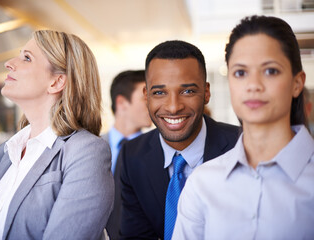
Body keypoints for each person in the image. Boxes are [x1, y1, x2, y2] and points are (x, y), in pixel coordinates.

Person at [0, 30, 114, 240]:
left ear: (56, 82)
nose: (9, 63)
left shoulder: (86, 151)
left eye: (26, 58)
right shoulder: (6, 152)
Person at [173, 15, 314, 240]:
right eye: (240, 73)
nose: (253, 85)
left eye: (270, 71)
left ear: (297, 83)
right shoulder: (203, 183)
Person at [119, 40, 240, 239]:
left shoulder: (241, 146)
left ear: (206, 92)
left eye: (187, 91)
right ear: (146, 96)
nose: (173, 107)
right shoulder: (132, 156)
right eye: (159, 92)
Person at [102, 70, 152, 239]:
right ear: (122, 103)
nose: (153, 105)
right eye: (146, 99)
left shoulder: (158, 151)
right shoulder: (92, 147)